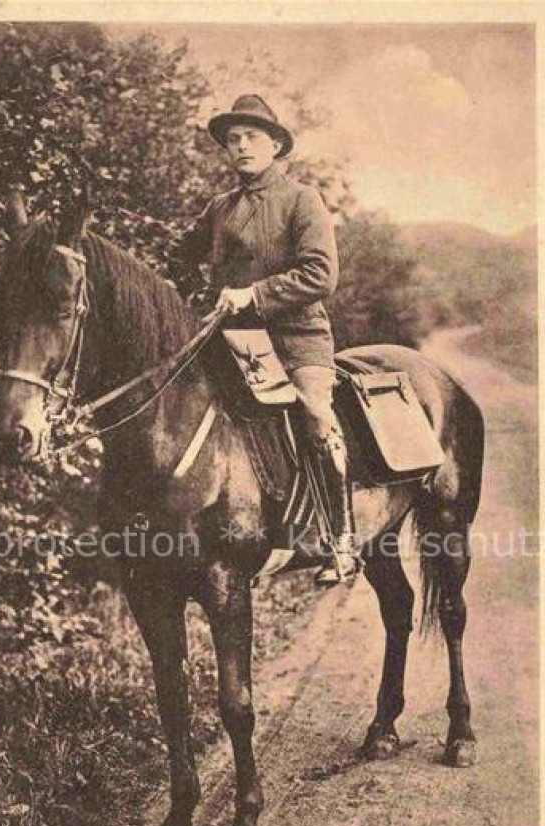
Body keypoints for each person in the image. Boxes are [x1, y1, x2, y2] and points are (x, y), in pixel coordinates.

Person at [170, 93, 360, 585]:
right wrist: (201, 299)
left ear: (276, 145)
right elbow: (179, 258)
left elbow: (321, 274)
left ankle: (338, 541)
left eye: (251, 136)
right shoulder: (220, 208)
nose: (240, 146)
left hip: (298, 338)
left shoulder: (302, 200)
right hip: (235, 342)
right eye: (232, 139)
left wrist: (252, 294)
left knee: (317, 414)